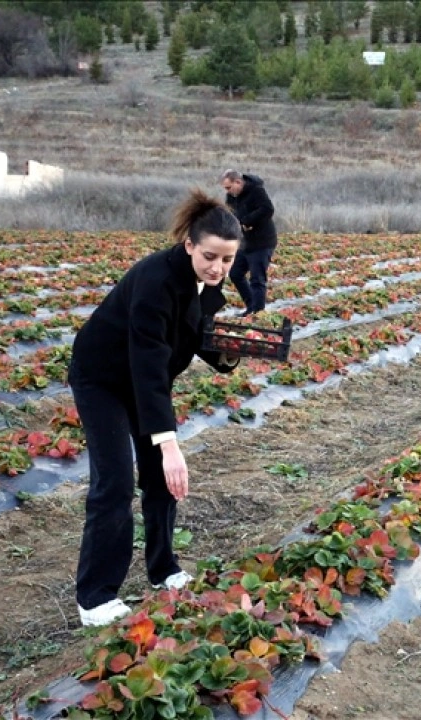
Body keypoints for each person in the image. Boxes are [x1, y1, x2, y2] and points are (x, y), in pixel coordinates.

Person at [68, 189, 243, 626]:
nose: (218, 268)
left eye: (227, 259)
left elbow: (191, 332)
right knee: (116, 482)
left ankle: (163, 569)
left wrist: (228, 350)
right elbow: (148, 363)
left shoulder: (201, 281)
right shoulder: (154, 281)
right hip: (104, 378)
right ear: (188, 244)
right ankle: (95, 596)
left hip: (144, 379)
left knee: (162, 483)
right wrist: (168, 444)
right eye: (209, 257)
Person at [220, 169, 277, 316]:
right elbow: (230, 213)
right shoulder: (231, 196)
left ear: (238, 182)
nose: (228, 191)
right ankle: (251, 306)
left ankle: (258, 314)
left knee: (257, 279)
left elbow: (268, 209)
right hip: (244, 242)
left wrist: (247, 221)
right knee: (235, 273)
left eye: (229, 187)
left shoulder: (256, 191)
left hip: (262, 241)